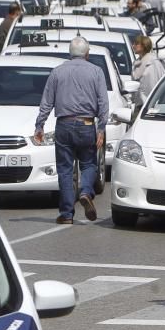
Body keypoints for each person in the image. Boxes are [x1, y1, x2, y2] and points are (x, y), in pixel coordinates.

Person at [34, 36, 109, 225]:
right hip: (86, 124)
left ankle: (67, 214)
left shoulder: (58, 72)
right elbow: (103, 102)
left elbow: (47, 101)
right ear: (87, 53)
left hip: (64, 125)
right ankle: (85, 192)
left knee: (65, 170)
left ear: (70, 53)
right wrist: (101, 128)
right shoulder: (96, 72)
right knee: (89, 164)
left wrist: (40, 125)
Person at [131, 35, 165, 105]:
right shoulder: (136, 62)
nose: (133, 46)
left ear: (144, 45)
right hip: (140, 104)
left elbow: (156, 86)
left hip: (154, 105)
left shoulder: (153, 62)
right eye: (133, 43)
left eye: (136, 44)